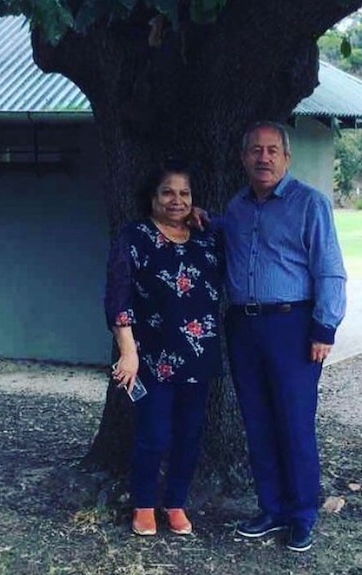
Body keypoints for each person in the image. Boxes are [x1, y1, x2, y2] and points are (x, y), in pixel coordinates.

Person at [223, 121, 347, 553]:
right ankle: (270, 508)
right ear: (243, 158)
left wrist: (324, 327)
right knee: (257, 422)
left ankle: (301, 515)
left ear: (287, 158)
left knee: (294, 424)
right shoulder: (236, 208)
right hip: (243, 327)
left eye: (273, 150)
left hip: (292, 328)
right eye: (255, 150)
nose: (264, 157)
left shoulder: (309, 204)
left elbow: (329, 268)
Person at [103, 159, 223, 537]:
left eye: (184, 193)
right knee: (153, 434)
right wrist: (128, 351)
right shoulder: (135, 237)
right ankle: (143, 504)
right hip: (151, 358)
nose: (177, 200)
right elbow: (117, 297)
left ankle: (175, 503)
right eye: (168, 192)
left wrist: (205, 217)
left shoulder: (204, 236)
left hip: (198, 356)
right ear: (152, 197)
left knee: (189, 435)